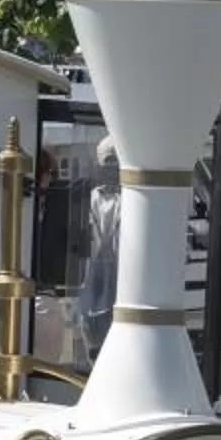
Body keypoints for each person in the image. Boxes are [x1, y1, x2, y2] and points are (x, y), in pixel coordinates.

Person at [73, 138, 121, 362]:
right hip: (91, 276)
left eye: (115, 164)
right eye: (107, 163)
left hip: (122, 279)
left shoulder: (132, 198)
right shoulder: (89, 198)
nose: (111, 169)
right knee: (91, 334)